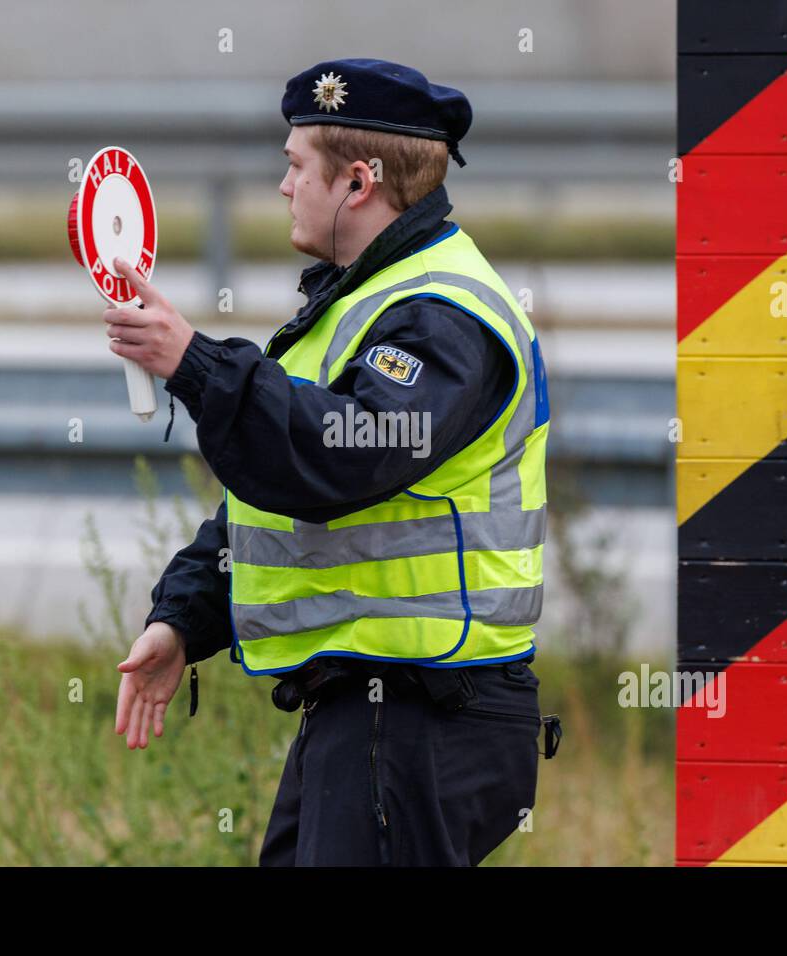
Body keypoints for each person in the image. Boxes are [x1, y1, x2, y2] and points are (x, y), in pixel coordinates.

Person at [107, 57, 557, 866]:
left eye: (294, 166)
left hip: (420, 712)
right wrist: (185, 618)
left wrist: (198, 365)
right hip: (372, 712)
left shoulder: (440, 314)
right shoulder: (361, 302)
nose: (283, 187)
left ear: (356, 183)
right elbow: (274, 501)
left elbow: (337, 459)